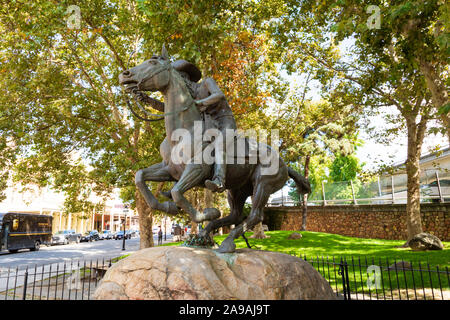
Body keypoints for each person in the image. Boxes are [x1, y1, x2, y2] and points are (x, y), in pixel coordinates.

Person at [136, 58, 237, 193]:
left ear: (184, 77)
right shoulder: (186, 95)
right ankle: (179, 178)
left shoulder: (206, 83)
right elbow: (171, 110)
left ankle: (219, 179)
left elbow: (218, 95)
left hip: (223, 121)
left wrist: (202, 102)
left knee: (220, 143)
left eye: (178, 76)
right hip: (205, 123)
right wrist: (149, 101)